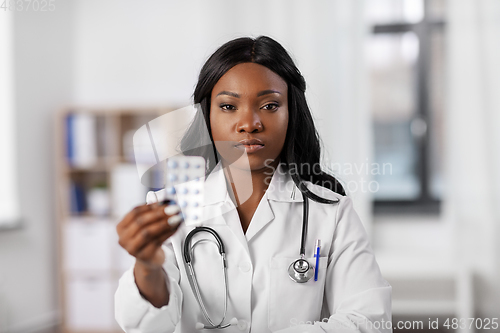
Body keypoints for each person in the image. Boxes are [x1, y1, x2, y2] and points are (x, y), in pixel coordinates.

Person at [115, 35, 392, 333]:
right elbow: (145, 326)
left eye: (270, 105)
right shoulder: (168, 209)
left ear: (291, 114)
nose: (249, 123)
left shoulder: (333, 213)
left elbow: (368, 322)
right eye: (228, 107)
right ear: (207, 116)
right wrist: (147, 266)